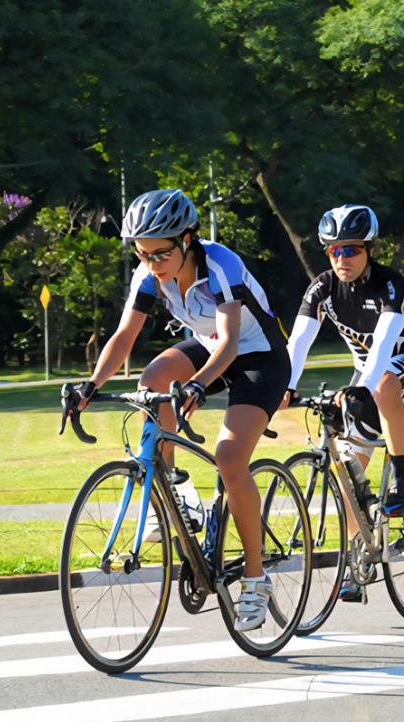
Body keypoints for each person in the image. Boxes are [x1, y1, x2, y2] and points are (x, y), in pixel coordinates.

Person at [68, 189, 290, 632]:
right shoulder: (147, 274)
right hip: (210, 348)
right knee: (150, 380)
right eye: (143, 253)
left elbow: (229, 342)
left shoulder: (220, 265)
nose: (152, 263)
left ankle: (254, 577)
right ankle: (175, 488)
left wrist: (198, 385)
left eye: (161, 253)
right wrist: (90, 385)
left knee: (230, 460)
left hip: (258, 355)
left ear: (188, 239)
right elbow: (123, 337)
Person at [283, 204, 404, 599]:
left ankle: (402, 473)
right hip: (365, 377)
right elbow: (297, 344)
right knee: (348, 473)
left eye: (350, 250)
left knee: (383, 383)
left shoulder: (391, 284)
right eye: (333, 251)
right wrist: (281, 387)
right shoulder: (321, 289)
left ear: (369, 249)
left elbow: (384, 345)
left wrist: (357, 389)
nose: (341, 259)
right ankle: (360, 556)